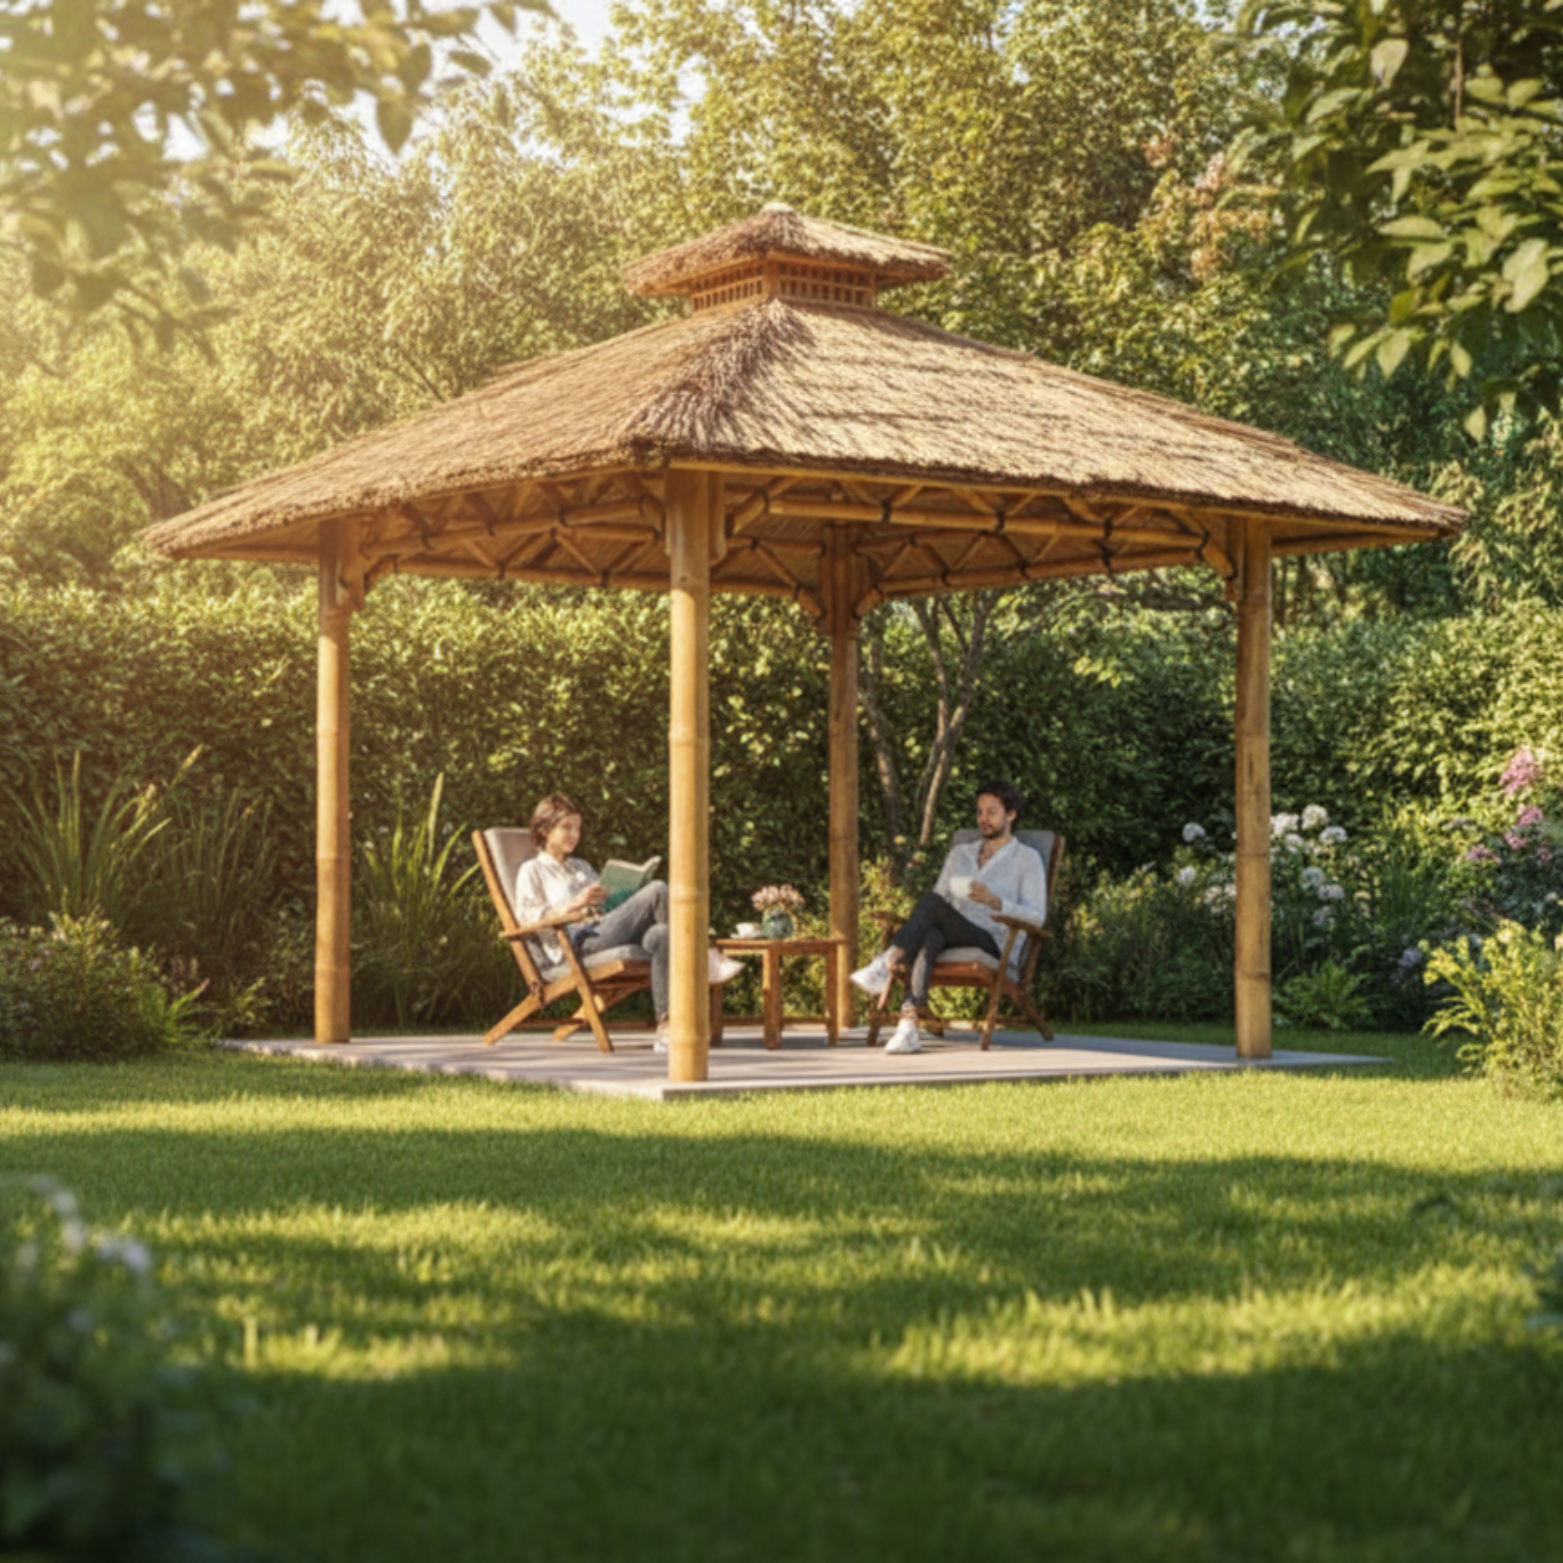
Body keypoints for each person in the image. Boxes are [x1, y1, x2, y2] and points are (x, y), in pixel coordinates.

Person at [513, 793, 742, 1052]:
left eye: (578, 828)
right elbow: (528, 917)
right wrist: (574, 904)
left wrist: (623, 897)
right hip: (576, 945)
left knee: (662, 934)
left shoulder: (582, 867)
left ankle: (666, 1027)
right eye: (566, 827)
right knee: (657, 890)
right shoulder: (532, 870)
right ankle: (704, 955)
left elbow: (607, 907)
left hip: (604, 929)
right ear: (544, 830)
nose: (574, 835)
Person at [850, 780, 1047, 1055]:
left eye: (991, 812)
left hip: (992, 939)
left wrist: (998, 902)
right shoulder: (960, 854)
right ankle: (908, 1027)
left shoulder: (1027, 859)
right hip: (952, 933)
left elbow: (1037, 917)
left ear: (1011, 814)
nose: (983, 819)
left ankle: (886, 962)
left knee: (931, 904)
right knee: (930, 933)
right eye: (979, 812)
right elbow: (941, 899)